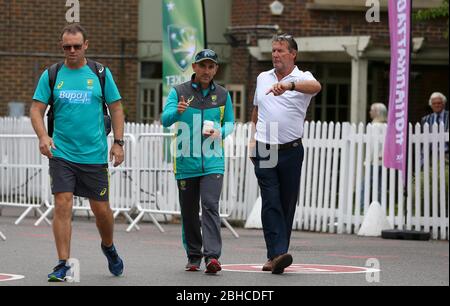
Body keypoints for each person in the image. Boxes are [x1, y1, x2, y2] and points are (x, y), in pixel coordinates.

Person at [30, 24, 125, 282]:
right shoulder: (52, 74)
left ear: (86, 45)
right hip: (62, 154)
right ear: (62, 47)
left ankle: (108, 246)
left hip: (94, 155)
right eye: (66, 47)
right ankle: (63, 263)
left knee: (102, 211)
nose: (71, 51)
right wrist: (43, 136)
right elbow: (36, 109)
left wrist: (118, 142)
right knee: (62, 202)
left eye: (76, 46)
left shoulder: (100, 73)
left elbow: (116, 108)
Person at [250, 34, 321, 274]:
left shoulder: (303, 77)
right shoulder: (262, 78)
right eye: (273, 50)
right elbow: (257, 109)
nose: (276, 55)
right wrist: (252, 139)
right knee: (270, 199)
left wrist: (289, 85)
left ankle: (276, 254)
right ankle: (278, 253)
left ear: (293, 54)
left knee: (286, 202)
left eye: (281, 50)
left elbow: (316, 87)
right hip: (265, 147)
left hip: (291, 149)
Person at [161, 49, 235, 274]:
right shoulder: (179, 92)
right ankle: (194, 255)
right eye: (202, 65)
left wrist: (220, 132)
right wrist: (177, 111)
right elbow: (165, 120)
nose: (206, 70)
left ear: (216, 69)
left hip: (213, 162)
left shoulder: (223, 95)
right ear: (194, 67)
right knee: (190, 211)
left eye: (211, 66)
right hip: (185, 162)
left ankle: (212, 257)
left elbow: (231, 122)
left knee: (210, 205)